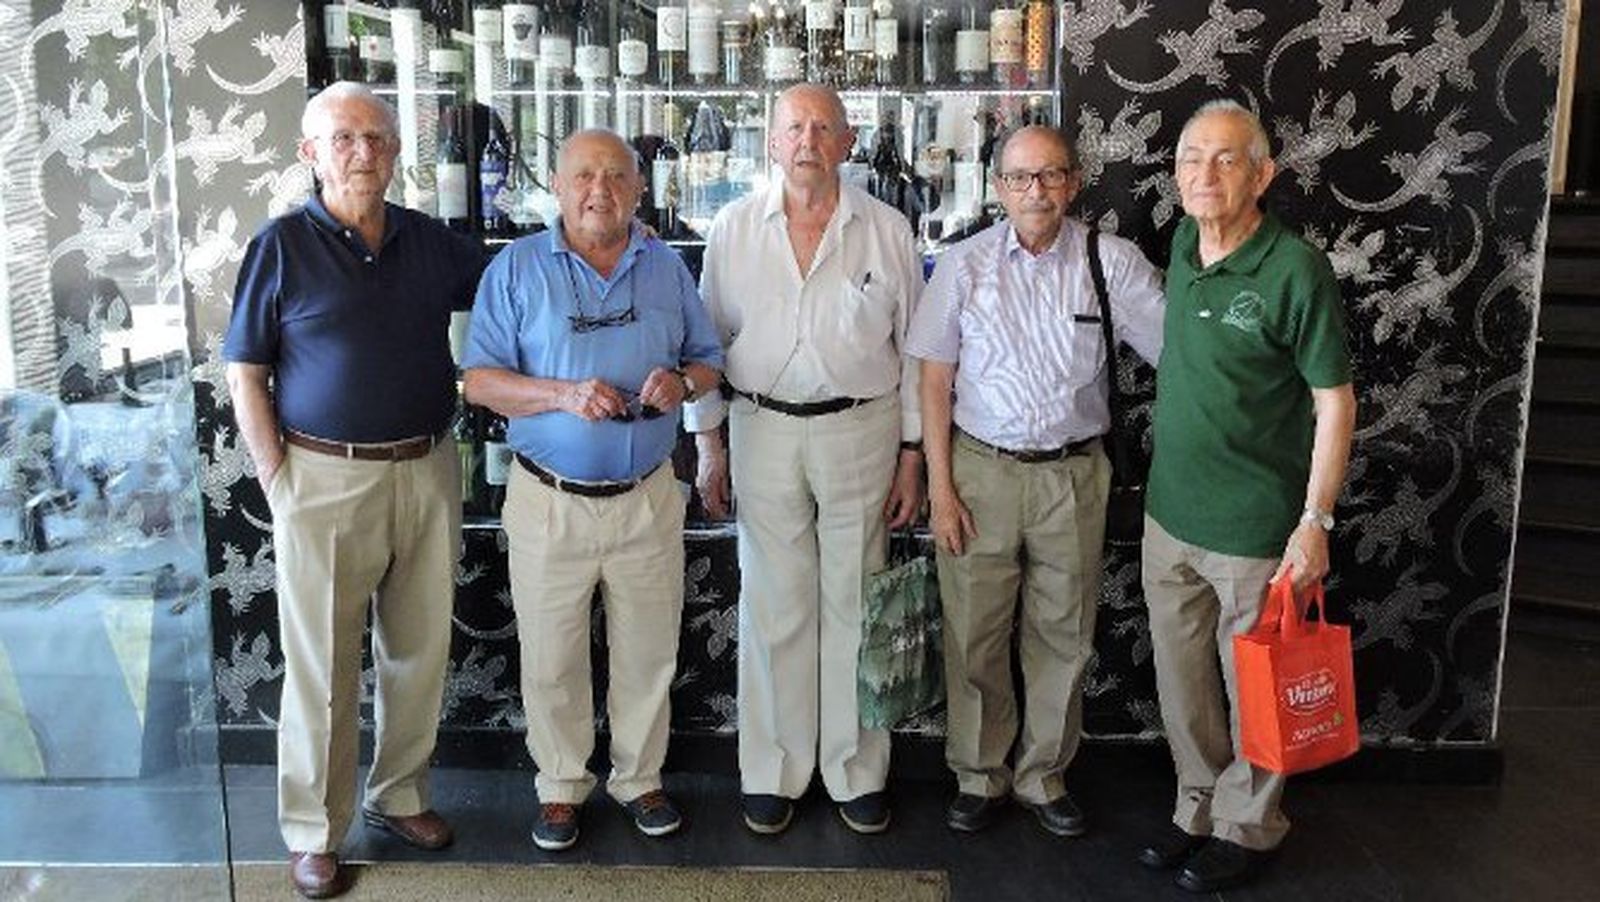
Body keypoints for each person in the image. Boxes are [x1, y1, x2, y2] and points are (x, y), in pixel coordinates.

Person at [223, 82, 485, 899]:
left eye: (376, 138)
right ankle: (313, 830)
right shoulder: (281, 247)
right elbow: (246, 372)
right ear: (311, 154)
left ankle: (400, 796)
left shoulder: (429, 241)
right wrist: (278, 480)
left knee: (417, 652)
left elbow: (514, 292)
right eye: (344, 139)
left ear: (397, 150)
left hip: (427, 468)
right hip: (323, 478)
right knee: (323, 670)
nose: (363, 152)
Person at [461, 129, 723, 852]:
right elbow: (480, 381)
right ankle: (561, 787)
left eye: (614, 176)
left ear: (639, 190)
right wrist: (560, 395)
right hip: (550, 500)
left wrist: (683, 383)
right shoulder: (515, 269)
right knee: (551, 658)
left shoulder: (666, 267)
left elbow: (708, 362)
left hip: (647, 497)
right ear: (557, 183)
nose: (598, 190)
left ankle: (640, 779)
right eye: (583, 175)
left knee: (648, 651)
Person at [906, 125, 1165, 838]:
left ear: (1074, 183)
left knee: (1064, 634)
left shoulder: (1110, 262)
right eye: (1020, 178)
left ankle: (1043, 775)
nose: (1036, 191)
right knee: (974, 635)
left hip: (1075, 477)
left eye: (1050, 176)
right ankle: (978, 775)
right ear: (998, 188)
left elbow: (1180, 350)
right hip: (979, 471)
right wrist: (941, 486)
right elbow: (933, 381)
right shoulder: (963, 266)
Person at [684, 83, 924, 836]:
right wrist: (707, 441)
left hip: (863, 427)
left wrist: (914, 453)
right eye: (794, 127)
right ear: (771, 141)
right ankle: (775, 770)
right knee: (773, 604)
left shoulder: (887, 230)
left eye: (823, 127)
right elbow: (704, 348)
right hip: (761, 427)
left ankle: (856, 770)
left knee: (856, 599)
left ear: (848, 142)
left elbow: (917, 352)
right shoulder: (731, 228)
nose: (808, 140)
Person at [1137, 100, 1356, 893]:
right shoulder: (1185, 245)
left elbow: (1336, 401)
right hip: (1170, 518)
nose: (1204, 174)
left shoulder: (1296, 270)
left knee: (1253, 690)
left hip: (1255, 529)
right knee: (1182, 682)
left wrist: (1315, 521)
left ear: (1263, 174)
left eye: (1226, 159)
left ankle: (1249, 826)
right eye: (1192, 158)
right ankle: (1197, 805)